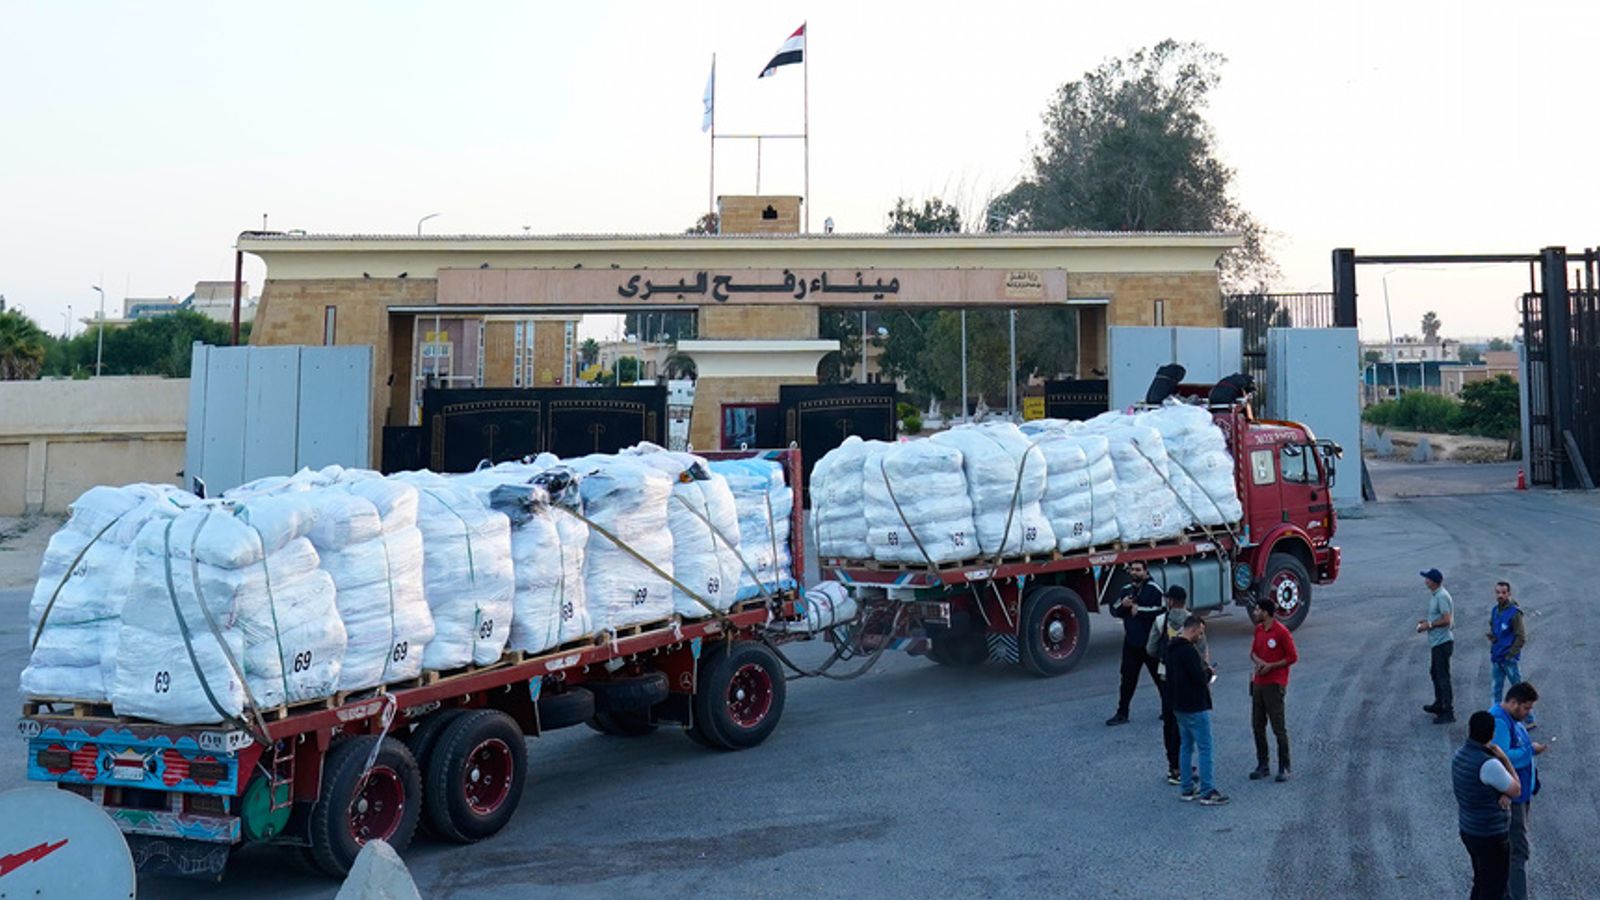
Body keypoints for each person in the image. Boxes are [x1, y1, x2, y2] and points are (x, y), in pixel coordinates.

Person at [1453, 710, 1521, 900]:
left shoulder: (1459, 756)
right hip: (1490, 835)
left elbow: (1479, 788)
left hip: (1469, 830)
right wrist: (1505, 759)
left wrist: (1502, 792)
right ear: (1491, 734)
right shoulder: (1490, 765)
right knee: (1495, 889)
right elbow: (1516, 789)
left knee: (1482, 880)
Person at [1146, 586, 1209, 784]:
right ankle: (1186, 767)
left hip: (1166, 677)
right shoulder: (1194, 623)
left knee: (1170, 722)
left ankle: (1174, 767)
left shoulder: (1160, 620)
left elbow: (1151, 649)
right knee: (1188, 723)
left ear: (1171, 601)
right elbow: (1202, 651)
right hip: (1189, 678)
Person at [1491, 682, 1547, 900]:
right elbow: (1503, 756)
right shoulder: (1500, 721)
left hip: (1520, 794)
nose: (1527, 713)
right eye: (1525, 708)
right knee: (1518, 851)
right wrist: (1530, 750)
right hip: (1513, 798)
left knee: (1514, 850)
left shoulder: (1511, 719)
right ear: (1513, 702)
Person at [1166, 615, 1227, 805]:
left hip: (1178, 705)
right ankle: (1207, 791)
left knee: (1186, 746)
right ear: (1192, 630)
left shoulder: (1171, 648)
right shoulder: (1189, 651)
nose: (1200, 636)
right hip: (1195, 705)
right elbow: (1200, 678)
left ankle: (1186, 788)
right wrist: (1209, 672)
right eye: (1200, 632)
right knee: (1205, 748)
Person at [1106, 560, 1165, 726]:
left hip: (1150, 644)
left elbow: (1163, 611)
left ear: (1146, 572)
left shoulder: (1154, 589)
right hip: (1131, 643)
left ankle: (1168, 710)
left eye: (1138, 570)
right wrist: (1123, 605)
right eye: (1132, 569)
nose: (1135, 572)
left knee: (1161, 679)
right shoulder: (1126, 590)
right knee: (1127, 680)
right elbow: (1116, 610)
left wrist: (1141, 611)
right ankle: (1122, 713)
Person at [1248, 597, 1298, 782]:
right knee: (1257, 726)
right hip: (1259, 683)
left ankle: (1284, 766)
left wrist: (1272, 666)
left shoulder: (1281, 632)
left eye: (1257, 610)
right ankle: (1263, 764)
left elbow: (1292, 657)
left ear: (1266, 613)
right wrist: (1260, 662)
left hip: (1275, 684)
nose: (1254, 613)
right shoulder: (1259, 630)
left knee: (1278, 727)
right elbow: (1253, 653)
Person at [1486, 581, 1534, 728]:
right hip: (1497, 657)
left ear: (1509, 594)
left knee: (1518, 690)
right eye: (1498, 592)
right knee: (1496, 690)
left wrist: (1511, 654)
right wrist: (1493, 638)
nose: (1500, 595)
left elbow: (1521, 637)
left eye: (1503, 592)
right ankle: (1495, 719)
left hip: (1509, 659)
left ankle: (1529, 719)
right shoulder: (1495, 611)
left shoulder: (1514, 613)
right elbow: (1494, 629)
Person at [1417, 567, 1455, 724]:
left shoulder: (1441, 597)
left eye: (1427, 578)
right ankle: (1439, 703)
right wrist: (1426, 622)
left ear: (1433, 582)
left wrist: (1429, 625)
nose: (1425, 581)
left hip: (1442, 642)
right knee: (1435, 673)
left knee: (1442, 676)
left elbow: (1447, 620)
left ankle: (1448, 711)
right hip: (1437, 642)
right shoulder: (1436, 595)